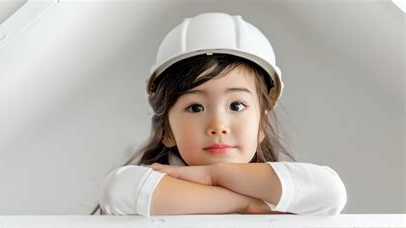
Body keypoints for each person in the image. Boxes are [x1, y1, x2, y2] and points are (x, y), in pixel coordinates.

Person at [92, 12, 347, 216]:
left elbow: (331, 192)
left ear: (261, 126)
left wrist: (214, 175)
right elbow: (117, 191)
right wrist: (245, 203)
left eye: (236, 106)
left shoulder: (276, 182)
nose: (217, 125)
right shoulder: (154, 179)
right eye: (195, 107)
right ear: (167, 131)